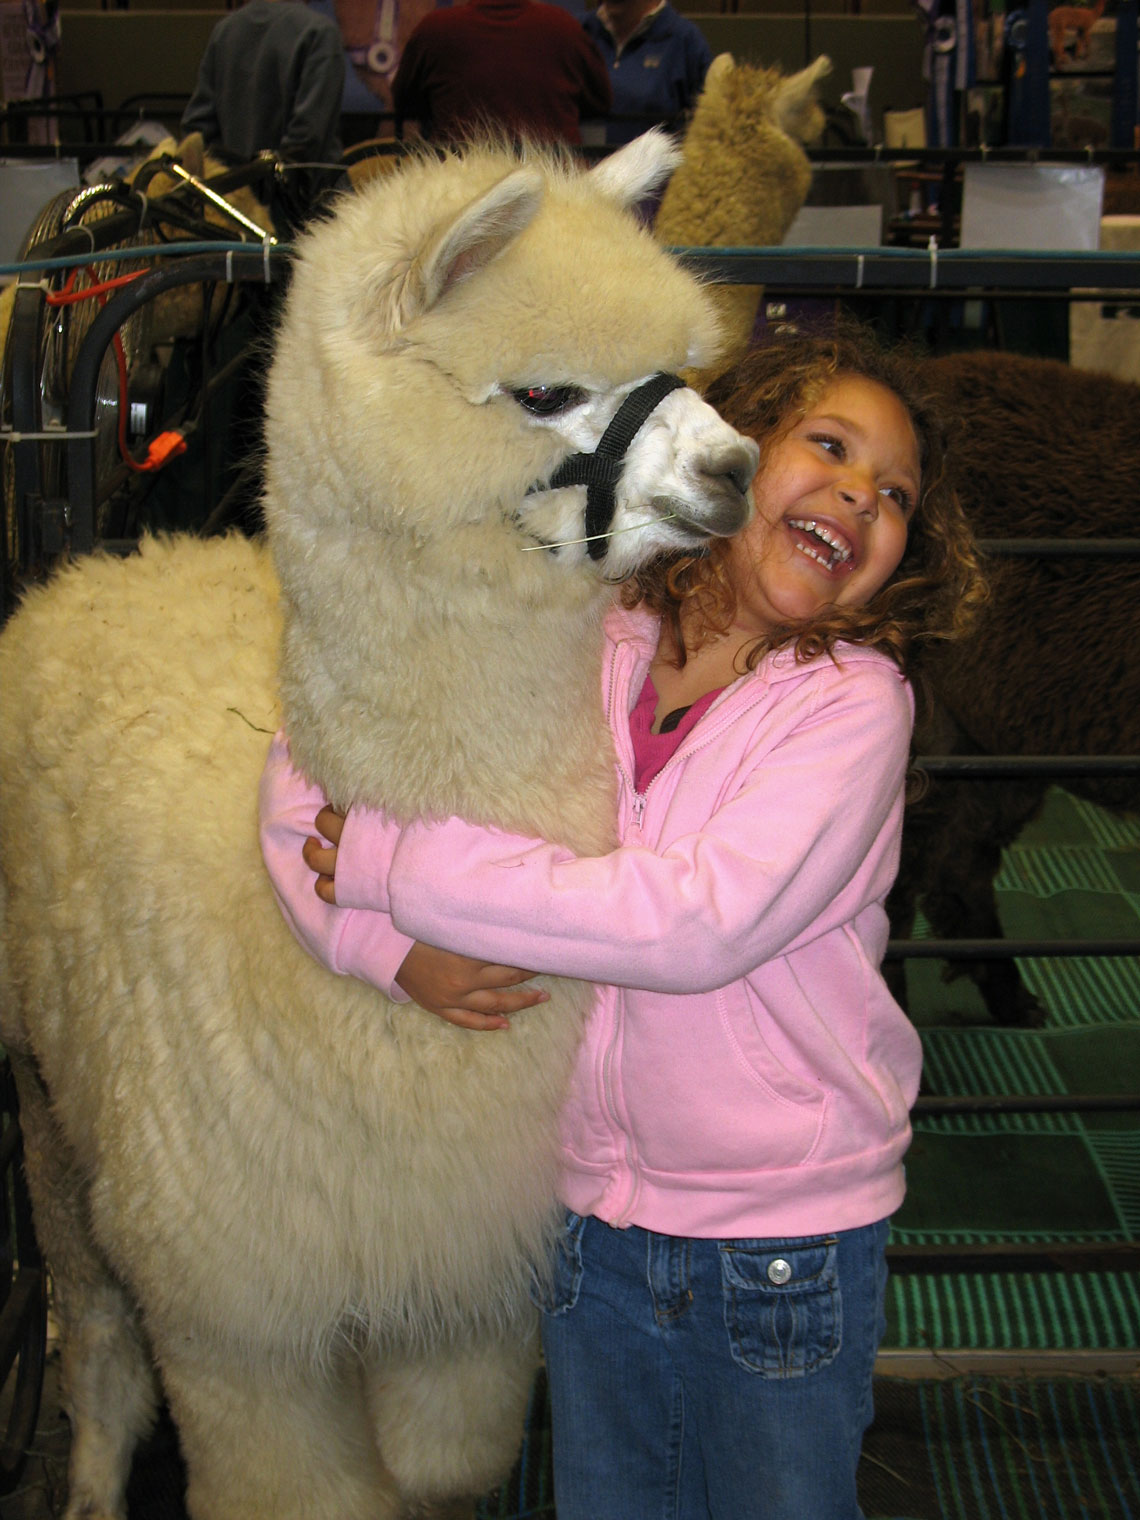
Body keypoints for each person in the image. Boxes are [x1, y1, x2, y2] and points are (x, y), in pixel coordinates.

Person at [259, 323, 986, 1520]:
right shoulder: (581, 629)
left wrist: (403, 865)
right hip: (589, 1217)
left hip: (780, 1240)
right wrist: (384, 948)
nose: (862, 491)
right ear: (724, 450)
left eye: (895, 493)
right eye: (830, 445)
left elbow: (696, 921)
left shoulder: (852, 709)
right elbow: (308, 760)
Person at [181, 0, 345, 216]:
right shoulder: (320, 33)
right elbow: (308, 139)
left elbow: (197, 131)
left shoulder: (225, 31)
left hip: (235, 210)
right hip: (307, 213)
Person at [391, 0, 611, 145]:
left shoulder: (434, 30)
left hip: (461, 190)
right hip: (555, 190)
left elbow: (404, 102)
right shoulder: (565, 28)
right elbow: (600, 102)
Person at [582, 0, 711, 143]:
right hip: (584, 162)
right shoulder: (579, 31)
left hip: (655, 163)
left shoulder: (685, 40)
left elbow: (707, 128)